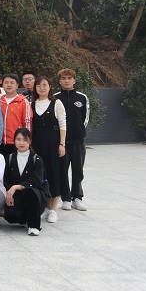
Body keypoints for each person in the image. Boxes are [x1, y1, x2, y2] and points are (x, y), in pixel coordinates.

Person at [31, 76, 66, 223]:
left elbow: (63, 124)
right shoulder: (32, 104)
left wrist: (62, 144)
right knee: (41, 174)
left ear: (50, 87)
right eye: (39, 85)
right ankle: (45, 206)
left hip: (53, 143)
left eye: (44, 85)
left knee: (54, 173)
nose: (42, 88)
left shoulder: (56, 103)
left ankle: (54, 209)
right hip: (37, 144)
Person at [55, 68, 89, 212]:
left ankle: (77, 198)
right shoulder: (55, 98)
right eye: (63, 78)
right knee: (62, 170)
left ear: (74, 80)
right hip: (61, 142)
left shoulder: (82, 98)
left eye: (69, 78)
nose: (66, 81)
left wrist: (79, 132)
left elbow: (86, 118)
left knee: (78, 170)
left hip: (78, 141)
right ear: (59, 81)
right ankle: (66, 198)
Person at [3, 128, 49, 236]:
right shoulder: (9, 158)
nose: (21, 143)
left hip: (35, 195)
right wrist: (9, 191)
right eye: (18, 139)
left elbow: (36, 181)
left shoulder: (36, 159)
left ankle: (34, 226)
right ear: (14, 141)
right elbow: (6, 179)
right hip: (17, 195)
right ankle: (25, 219)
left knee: (30, 192)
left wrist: (16, 187)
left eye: (25, 140)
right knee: (10, 215)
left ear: (30, 141)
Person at [0, 73, 32, 157]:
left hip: (17, 143)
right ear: (2, 84)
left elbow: (27, 122)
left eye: (12, 83)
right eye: (6, 82)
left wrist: (26, 140)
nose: (9, 85)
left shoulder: (23, 101)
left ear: (17, 85)